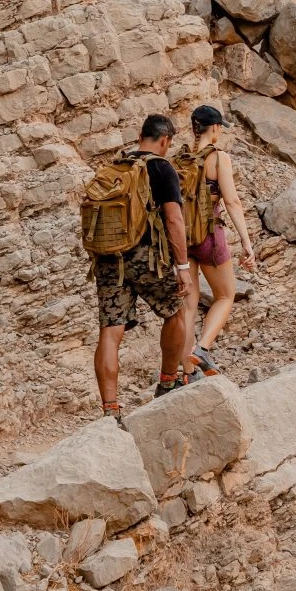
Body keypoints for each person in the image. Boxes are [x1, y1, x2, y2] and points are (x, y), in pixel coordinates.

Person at [92, 113, 193, 409]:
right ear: (165, 140)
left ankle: (110, 408)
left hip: (109, 258)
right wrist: (183, 267)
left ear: (140, 138)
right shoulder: (161, 167)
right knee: (176, 311)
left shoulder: (116, 166)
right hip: (147, 258)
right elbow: (173, 219)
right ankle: (168, 381)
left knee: (110, 330)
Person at [181, 105, 258, 377]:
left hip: (184, 239)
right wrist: (247, 242)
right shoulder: (218, 157)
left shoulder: (182, 158)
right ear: (214, 128)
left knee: (188, 306)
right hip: (210, 236)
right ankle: (202, 348)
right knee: (225, 295)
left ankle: (187, 372)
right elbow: (232, 201)